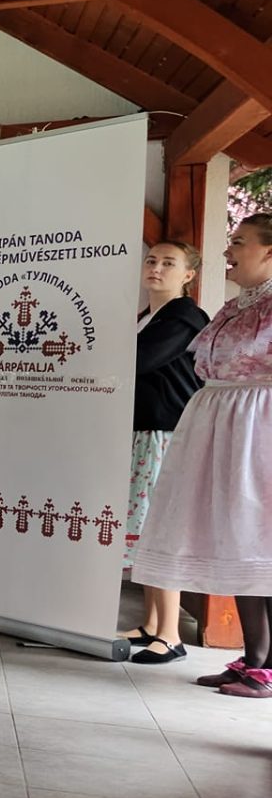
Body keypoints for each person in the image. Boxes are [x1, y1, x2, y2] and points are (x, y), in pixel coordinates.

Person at [131, 216, 272, 698]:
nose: (228, 251)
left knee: (259, 539)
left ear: (269, 252)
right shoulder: (236, 305)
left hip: (258, 428)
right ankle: (255, 658)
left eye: (239, 242)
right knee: (236, 538)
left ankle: (266, 665)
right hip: (224, 424)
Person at [123, 241, 209, 664]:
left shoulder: (184, 317)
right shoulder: (149, 316)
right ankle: (152, 624)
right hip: (146, 431)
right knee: (145, 527)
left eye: (169, 263)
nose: (156, 268)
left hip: (166, 433)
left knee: (159, 528)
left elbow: (137, 361)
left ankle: (171, 635)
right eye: (152, 260)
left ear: (188, 275)